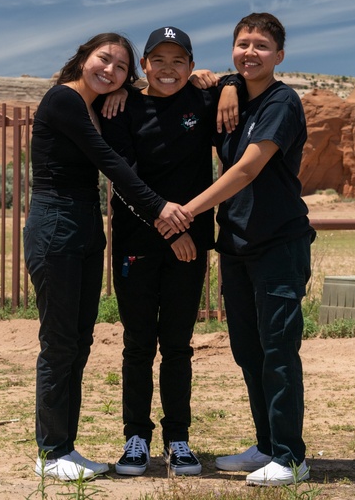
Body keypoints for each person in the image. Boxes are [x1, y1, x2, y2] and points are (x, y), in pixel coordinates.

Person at [23, 33, 193, 482]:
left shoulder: (98, 104)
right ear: (84, 58)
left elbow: (161, 87)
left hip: (84, 227)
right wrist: (161, 210)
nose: (110, 71)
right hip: (55, 224)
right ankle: (51, 451)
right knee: (59, 342)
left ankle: (65, 448)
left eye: (120, 67)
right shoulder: (62, 100)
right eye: (104, 60)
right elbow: (109, 161)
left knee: (78, 342)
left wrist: (125, 90)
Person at [157, 12, 314, 487]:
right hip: (237, 244)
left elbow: (247, 169)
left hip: (278, 244)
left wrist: (187, 211)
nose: (251, 52)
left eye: (262, 46)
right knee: (249, 351)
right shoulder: (230, 98)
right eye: (243, 44)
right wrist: (225, 83)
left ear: (279, 56)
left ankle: (290, 458)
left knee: (279, 349)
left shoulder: (282, 102)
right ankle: (267, 445)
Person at [99, 26, 240, 477]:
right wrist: (170, 230)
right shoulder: (121, 107)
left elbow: (238, 81)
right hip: (138, 245)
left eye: (179, 60)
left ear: (191, 64)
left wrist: (226, 84)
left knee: (178, 347)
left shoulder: (202, 100)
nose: (168, 69)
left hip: (189, 248)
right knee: (138, 346)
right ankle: (135, 438)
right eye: (158, 59)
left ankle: (178, 439)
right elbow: (123, 180)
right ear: (143, 66)